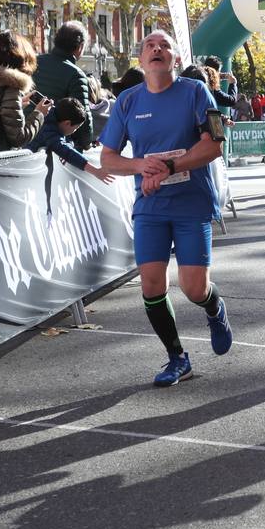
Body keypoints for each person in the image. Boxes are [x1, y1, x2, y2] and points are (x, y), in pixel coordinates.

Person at [99, 31, 234, 387]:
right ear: (140, 60)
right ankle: (178, 359)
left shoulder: (196, 92)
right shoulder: (128, 101)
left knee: (193, 288)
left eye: (164, 46)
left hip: (192, 203)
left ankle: (213, 306)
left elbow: (215, 145)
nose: (157, 49)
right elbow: (108, 159)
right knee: (152, 285)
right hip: (151, 206)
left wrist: (172, 167)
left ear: (175, 58)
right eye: (149, 46)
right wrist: (142, 166)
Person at [25, 97, 115, 185]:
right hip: (25, 169)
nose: (74, 131)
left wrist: (69, 143)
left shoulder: (54, 116)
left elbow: (65, 140)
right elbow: (65, 151)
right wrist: (95, 171)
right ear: (67, 123)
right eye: (76, 128)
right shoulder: (48, 131)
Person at [32, 22, 93, 150]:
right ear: (80, 47)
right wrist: (86, 144)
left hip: (24, 137)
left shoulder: (33, 63)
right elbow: (83, 118)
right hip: (52, 145)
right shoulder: (76, 75)